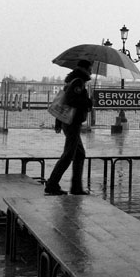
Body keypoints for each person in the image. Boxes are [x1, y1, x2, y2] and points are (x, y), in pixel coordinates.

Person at [44, 60, 93, 195]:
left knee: (79, 154)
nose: (91, 71)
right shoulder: (78, 82)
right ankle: (52, 184)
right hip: (72, 123)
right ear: (85, 69)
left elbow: (64, 102)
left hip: (69, 122)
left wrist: (59, 121)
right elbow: (71, 101)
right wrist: (88, 102)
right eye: (90, 68)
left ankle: (76, 187)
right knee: (68, 155)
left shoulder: (72, 80)